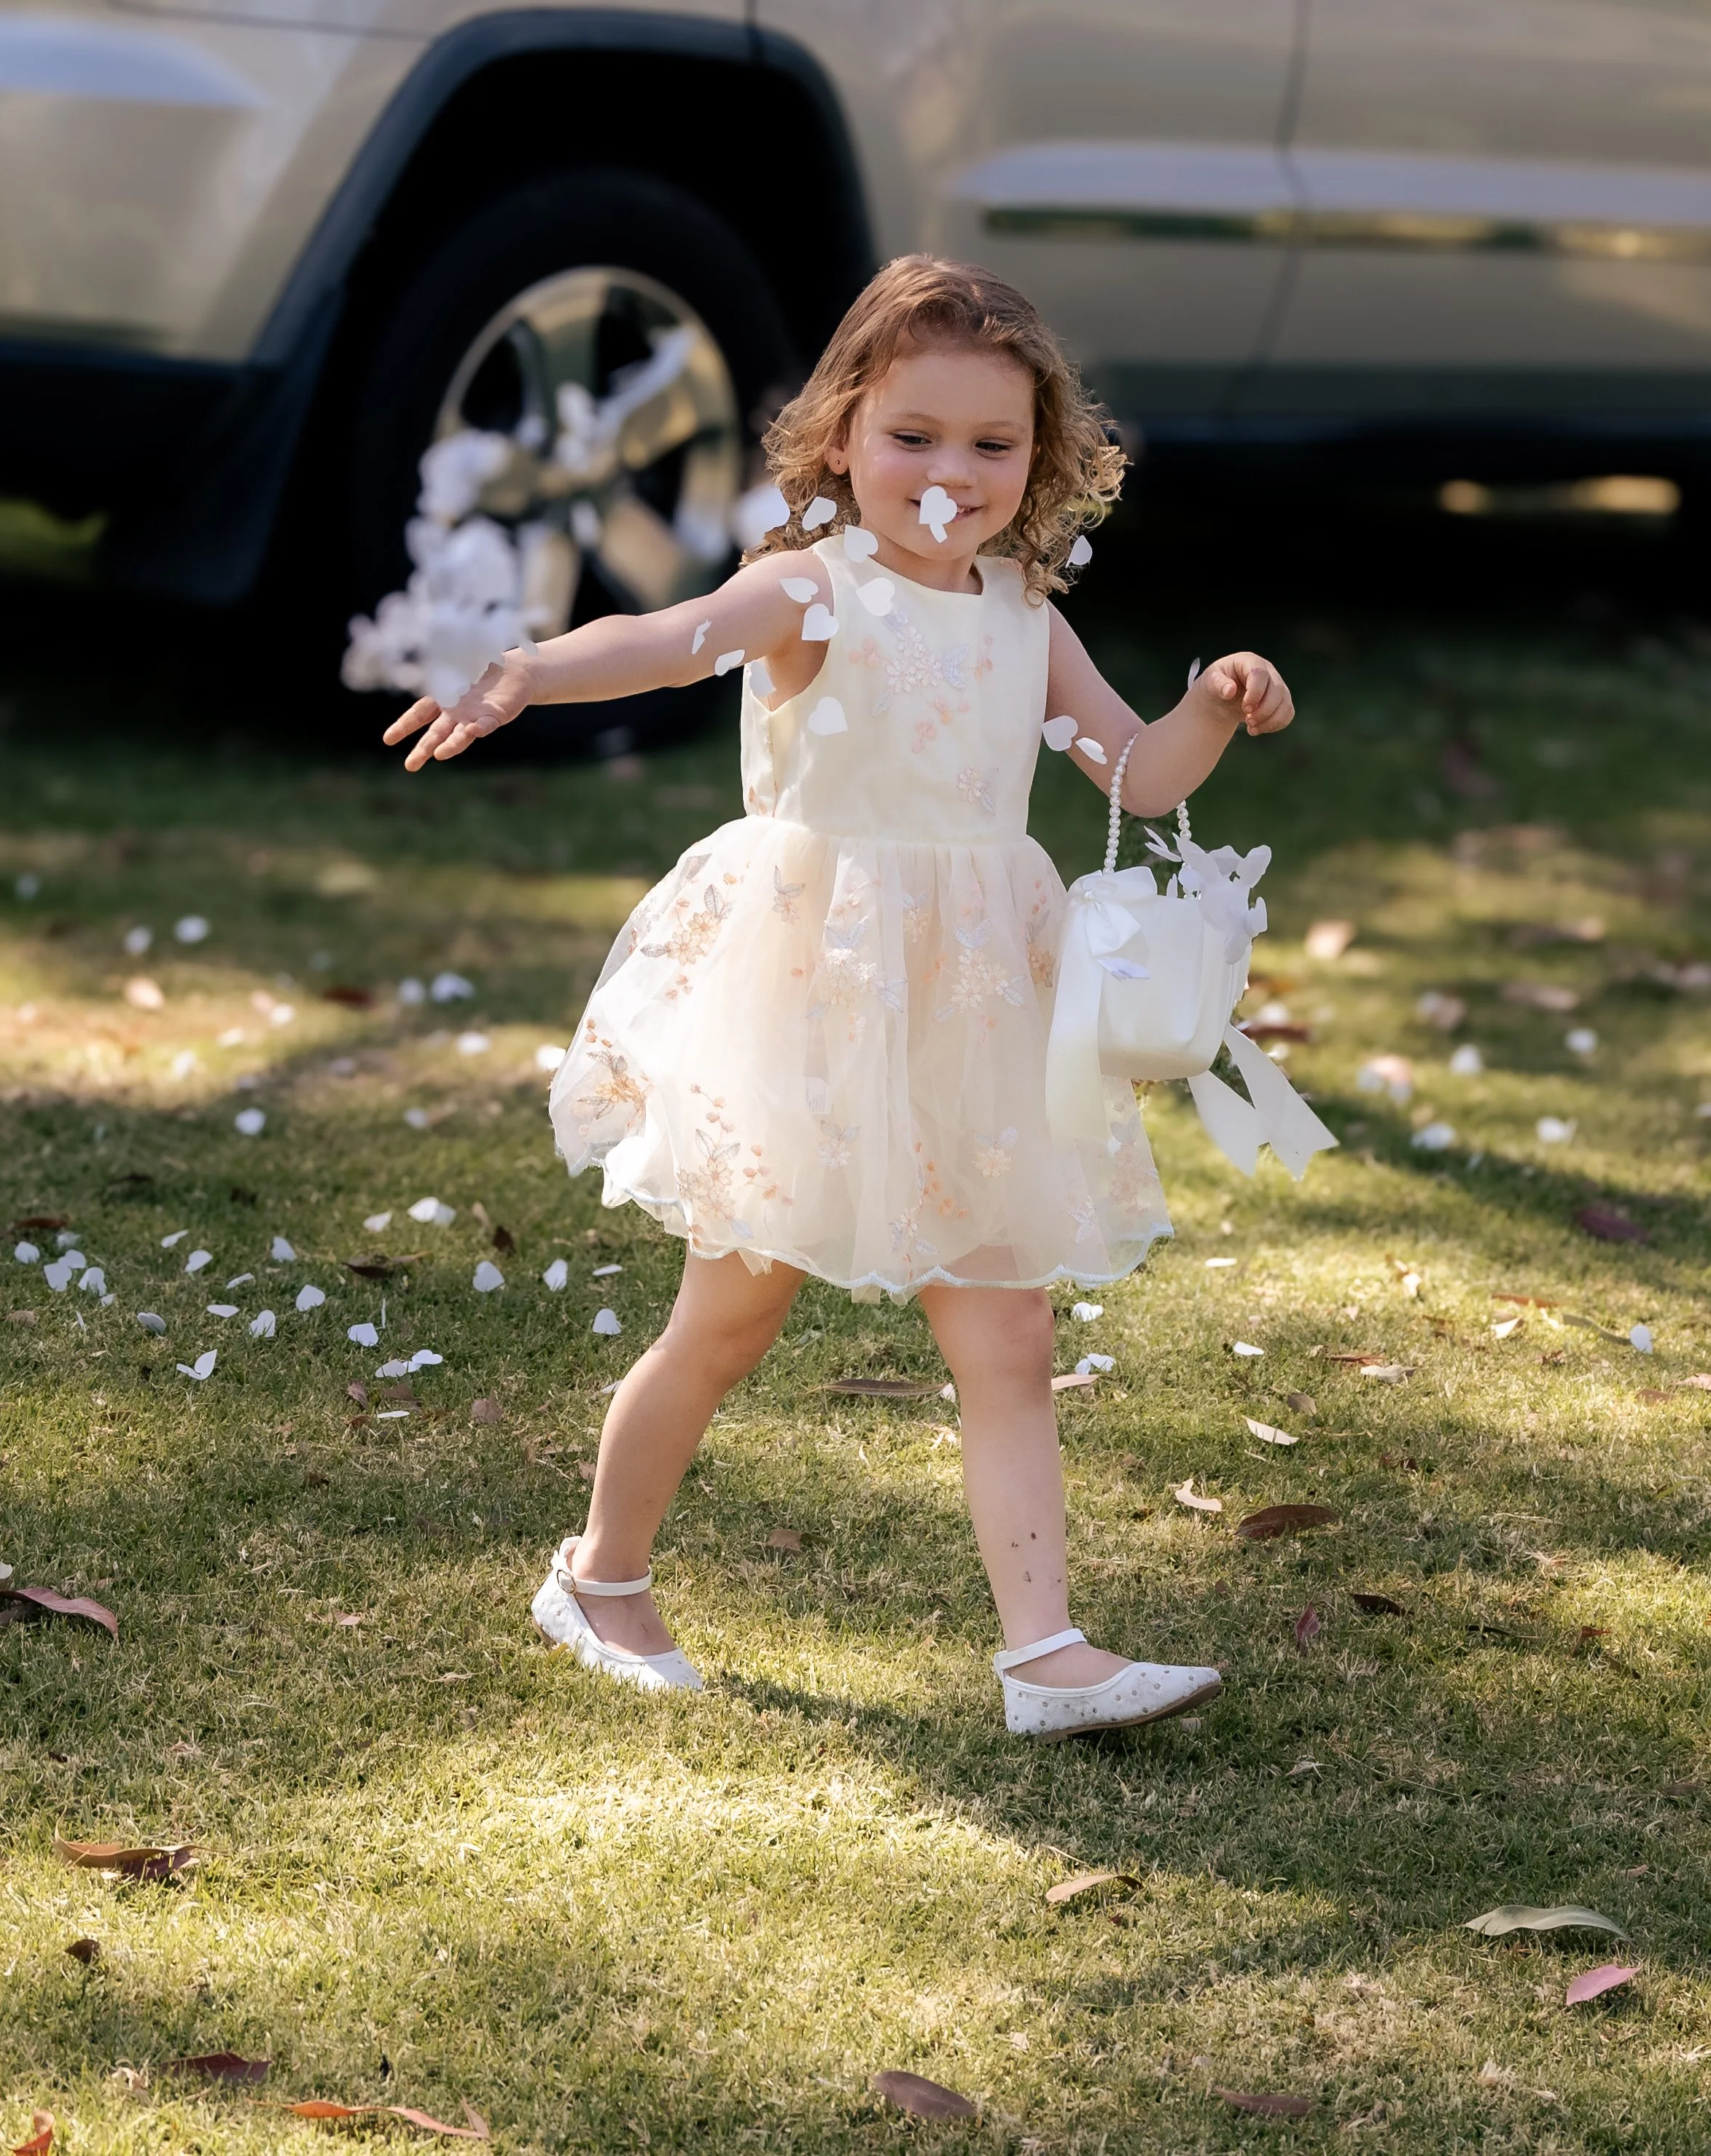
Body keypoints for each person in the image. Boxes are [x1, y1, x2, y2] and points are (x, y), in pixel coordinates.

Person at [386, 256, 1294, 1737]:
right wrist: (523, 671)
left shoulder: (1020, 613)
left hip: (974, 1007)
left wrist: (1208, 706)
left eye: (992, 446)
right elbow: (668, 641)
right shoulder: (813, 590)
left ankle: (1043, 1654)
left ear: (1041, 463)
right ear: (840, 442)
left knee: (1003, 1334)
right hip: (815, 999)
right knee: (728, 1322)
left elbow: (1129, 775)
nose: (951, 474)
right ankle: (599, 1578)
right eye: (912, 437)